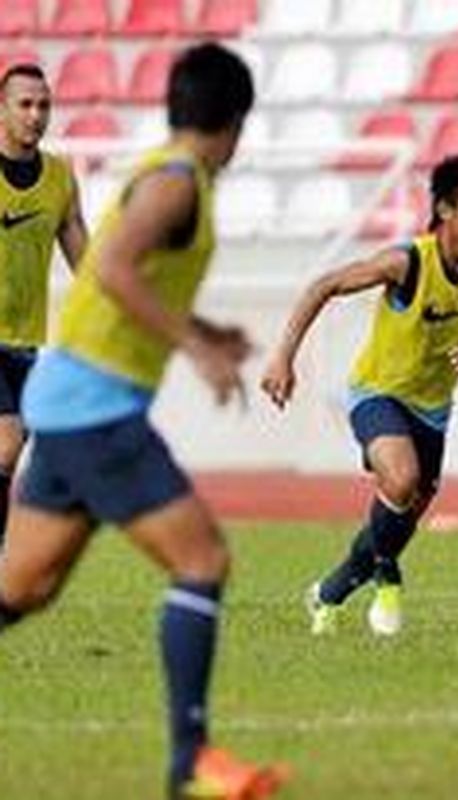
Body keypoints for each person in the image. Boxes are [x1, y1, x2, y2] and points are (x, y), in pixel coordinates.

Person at [0, 44, 286, 799]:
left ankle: (190, 759)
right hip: (93, 407)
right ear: (233, 122)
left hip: (67, 400)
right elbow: (115, 267)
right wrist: (195, 348)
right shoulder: (178, 182)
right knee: (203, 562)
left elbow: (130, 274)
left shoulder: (165, 169)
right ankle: (191, 758)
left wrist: (207, 329)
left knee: (21, 590)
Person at [261, 151, 458, 638]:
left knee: (401, 517)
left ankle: (329, 592)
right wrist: (283, 356)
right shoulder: (407, 262)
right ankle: (388, 576)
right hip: (377, 393)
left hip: (432, 411)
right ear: (446, 210)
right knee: (401, 480)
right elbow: (326, 284)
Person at [0, 63, 88, 546]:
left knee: (10, 457)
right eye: (25, 104)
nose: (36, 115)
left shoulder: (59, 177)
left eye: (44, 105)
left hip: (26, 341)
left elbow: (82, 253)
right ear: (3, 110)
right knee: (7, 442)